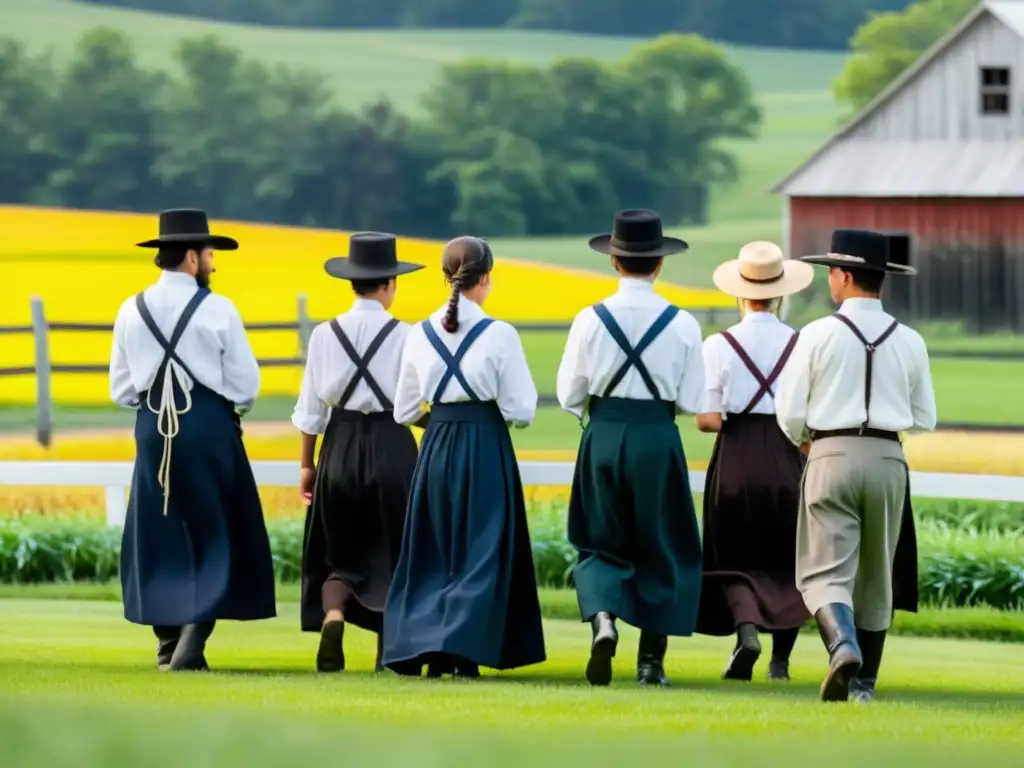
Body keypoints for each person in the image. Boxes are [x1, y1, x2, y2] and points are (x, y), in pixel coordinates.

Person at [109, 208, 276, 671]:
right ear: (189, 257)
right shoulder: (218, 308)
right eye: (208, 254)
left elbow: (121, 389)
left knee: (159, 529)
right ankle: (196, 631)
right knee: (216, 523)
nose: (213, 263)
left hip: (151, 425)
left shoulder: (130, 308)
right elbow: (245, 387)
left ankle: (167, 645)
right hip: (205, 423)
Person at [774, 229, 936, 702]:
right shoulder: (910, 340)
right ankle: (865, 685)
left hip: (829, 451)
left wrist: (807, 443)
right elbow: (925, 417)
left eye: (831, 273)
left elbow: (789, 412)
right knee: (876, 572)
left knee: (825, 569)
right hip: (888, 458)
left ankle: (842, 645)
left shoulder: (816, 334)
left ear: (844, 276)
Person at [381, 236, 546, 678]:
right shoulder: (500, 333)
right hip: (485, 445)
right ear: (487, 278)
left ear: (444, 277)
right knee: (481, 549)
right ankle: (463, 649)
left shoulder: (419, 333)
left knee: (435, 549)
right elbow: (521, 411)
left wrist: (441, 423)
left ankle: (429, 646)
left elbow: (404, 410)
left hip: (436, 444)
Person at [556, 209, 705, 687]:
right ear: (659, 264)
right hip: (657, 437)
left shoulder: (588, 319)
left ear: (614, 261)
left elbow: (567, 395)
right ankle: (650, 663)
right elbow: (692, 400)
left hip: (603, 433)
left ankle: (603, 620)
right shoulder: (683, 323)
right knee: (661, 544)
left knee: (599, 539)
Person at [292, 233, 425, 673]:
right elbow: (413, 405)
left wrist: (308, 465)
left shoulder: (324, 335)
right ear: (388, 284)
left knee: (338, 548)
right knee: (395, 549)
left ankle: (333, 616)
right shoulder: (407, 334)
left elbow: (310, 412)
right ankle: (389, 652)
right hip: (392, 443)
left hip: (340, 443)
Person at [694, 242, 814, 682]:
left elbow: (708, 419)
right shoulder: (802, 343)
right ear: (780, 294)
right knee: (788, 558)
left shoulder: (718, 345)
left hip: (736, 455)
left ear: (739, 294)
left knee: (736, 555)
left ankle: (745, 631)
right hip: (788, 453)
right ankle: (780, 660)